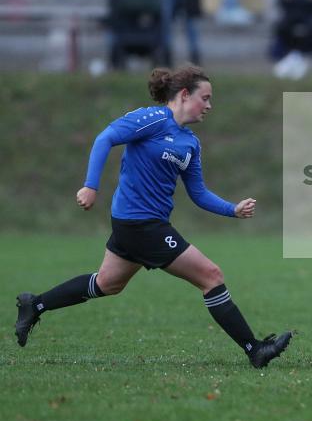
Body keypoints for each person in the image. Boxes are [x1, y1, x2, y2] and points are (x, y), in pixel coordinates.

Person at [14, 64, 292, 369]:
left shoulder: (190, 143)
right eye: (205, 98)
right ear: (184, 95)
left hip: (142, 225)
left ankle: (34, 304)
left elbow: (198, 193)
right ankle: (255, 350)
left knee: (108, 283)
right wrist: (90, 186)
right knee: (211, 276)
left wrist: (232, 209)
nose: (209, 106)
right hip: (140, 224)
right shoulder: (152, 119)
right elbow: (105, 138)